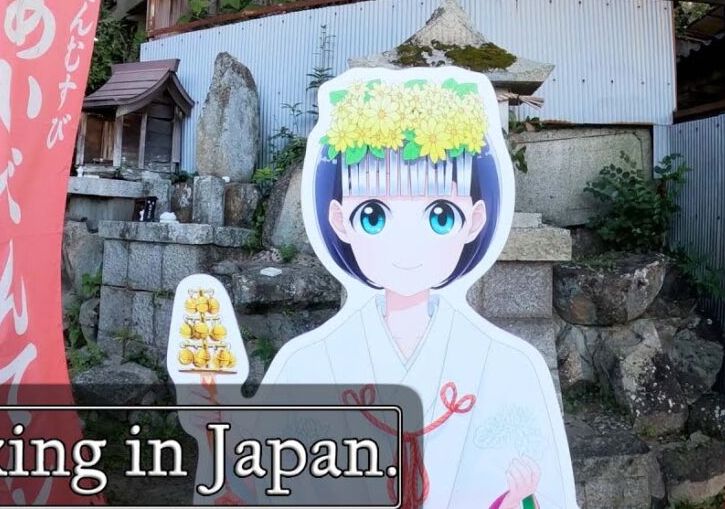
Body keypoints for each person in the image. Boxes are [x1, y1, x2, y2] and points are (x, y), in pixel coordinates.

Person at [175, 68, 579, 508]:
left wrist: (519, 495)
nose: (407, 244)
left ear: (476, 220)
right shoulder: (309, 363)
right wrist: (216, 421)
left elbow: (542, 492)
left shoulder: (509, 367)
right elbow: (258, 482)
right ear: (338, 220)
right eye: (374, 216)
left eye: (439, 216)